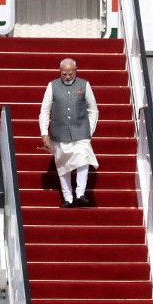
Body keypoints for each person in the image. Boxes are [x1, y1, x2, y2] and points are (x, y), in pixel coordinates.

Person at [38, 57, 99, 207]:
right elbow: (44, 111)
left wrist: (89, 130)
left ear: (75, 70)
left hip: (81, 132)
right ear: (60, 72)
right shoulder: (52, 86)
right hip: (59, 133)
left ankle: (80, 194)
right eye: (64, 74)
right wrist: (44, 133)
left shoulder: (85, 85)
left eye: (70, 73)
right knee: (63, 165)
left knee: (84, 159)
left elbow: (93, 109)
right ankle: (68, 198)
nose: (67, 76)